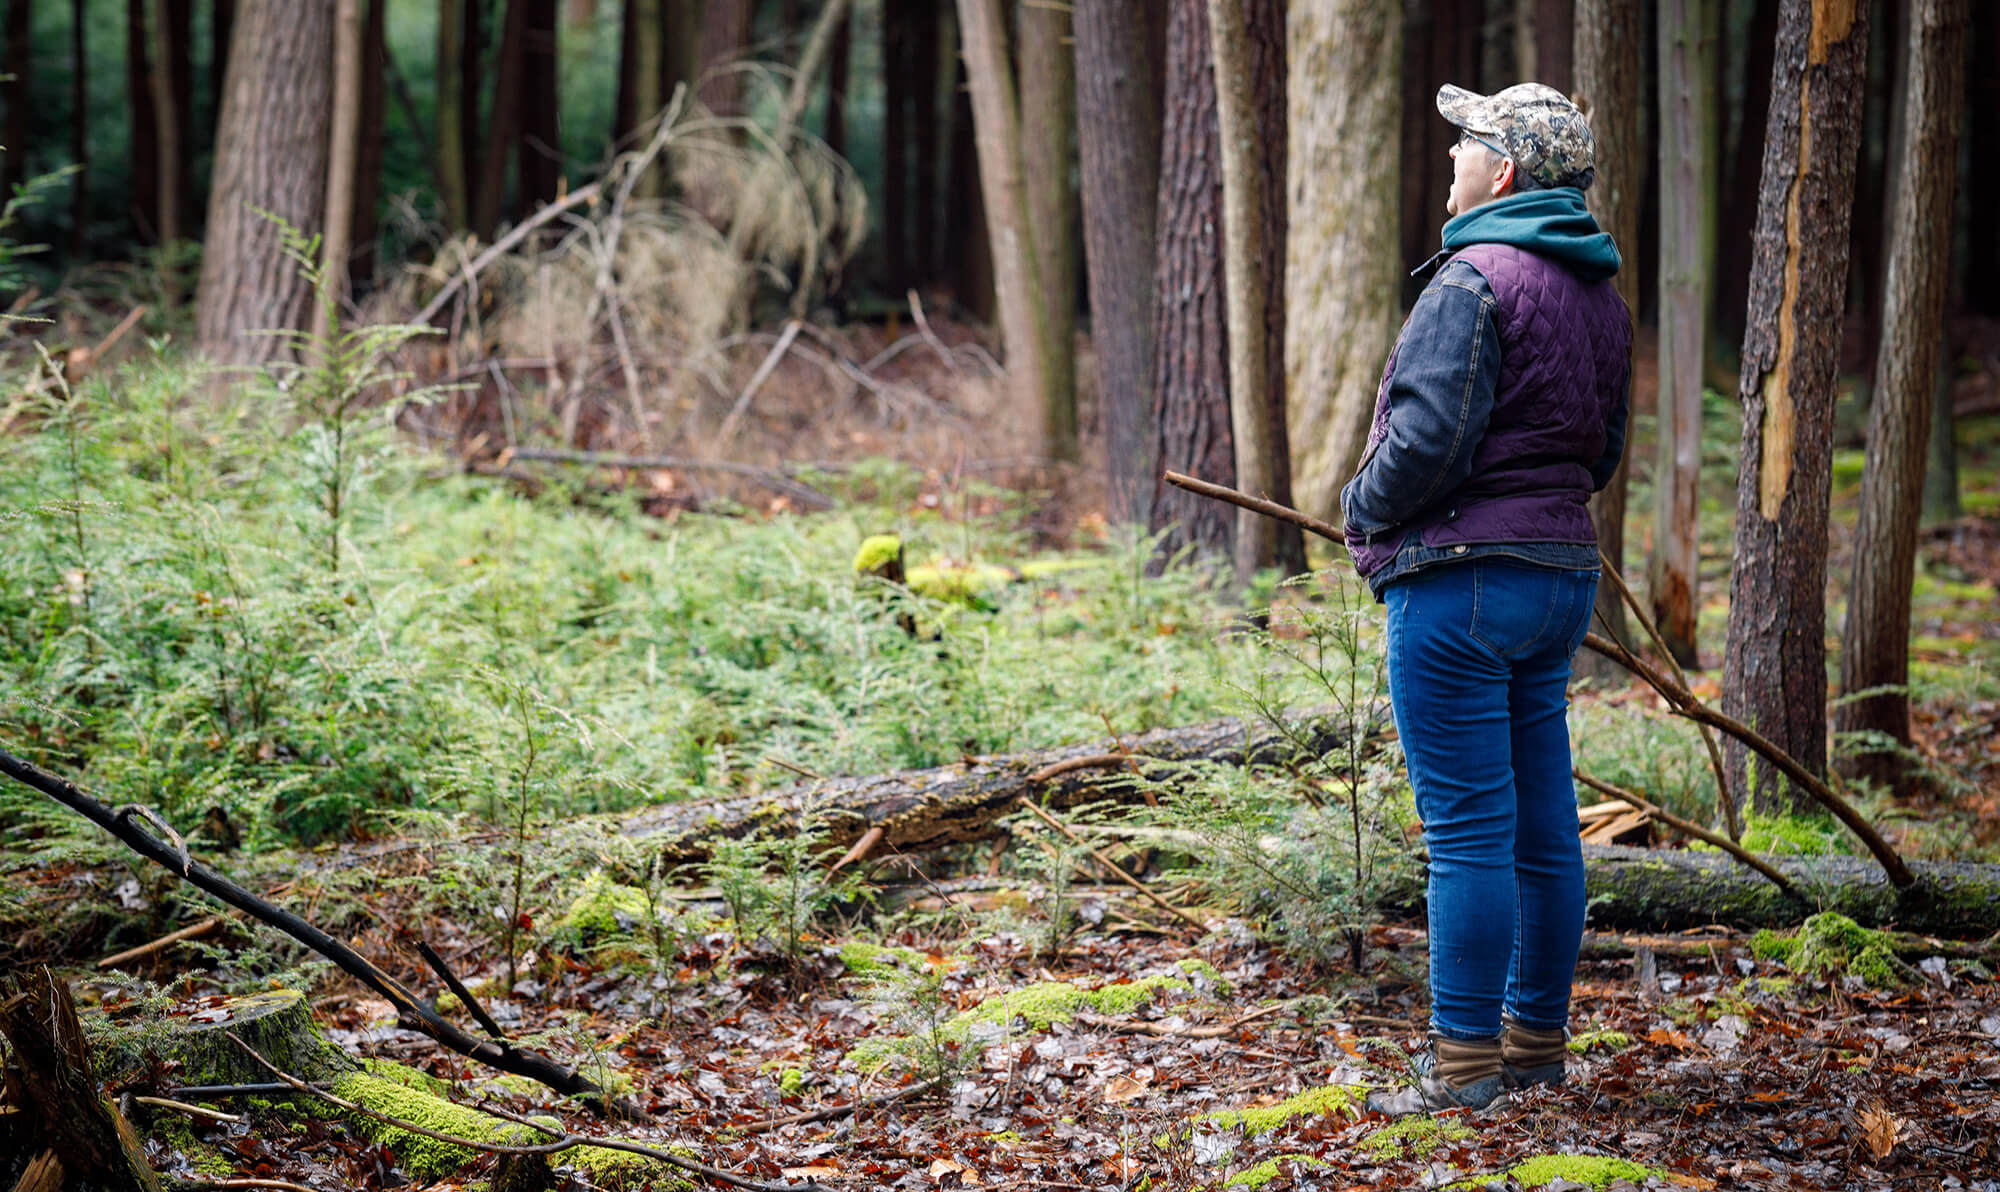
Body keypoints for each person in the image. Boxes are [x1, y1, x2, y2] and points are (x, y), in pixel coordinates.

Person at [1342, 82, 1631, 1115]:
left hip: (1458, 585)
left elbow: (1425, 439)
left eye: (1464, 143)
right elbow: (1599, 452)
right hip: (1556, 583)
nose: (1450, 159)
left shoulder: (1470, 280)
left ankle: (1461, 1069)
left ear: (1500, 171)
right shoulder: (1597, 293)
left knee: (1467, 833)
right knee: (1544, 833)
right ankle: (1534, 1049)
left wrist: (1361, 509)